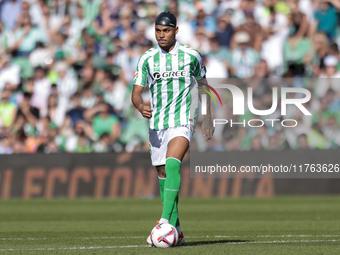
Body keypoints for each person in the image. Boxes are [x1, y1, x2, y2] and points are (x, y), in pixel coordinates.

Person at [131, 11, 214, 246]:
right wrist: (139, 106)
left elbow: (204, 86)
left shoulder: (191, 56)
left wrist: (208, 117)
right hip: (157, 124)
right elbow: (136, 92)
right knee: (163, 176)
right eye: (158, 30)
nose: (161, 35)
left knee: (172, 163)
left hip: (183, 120)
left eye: (166, 30)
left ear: (176, 31)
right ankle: (176, 229)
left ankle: (163, 221)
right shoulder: (147, 59)